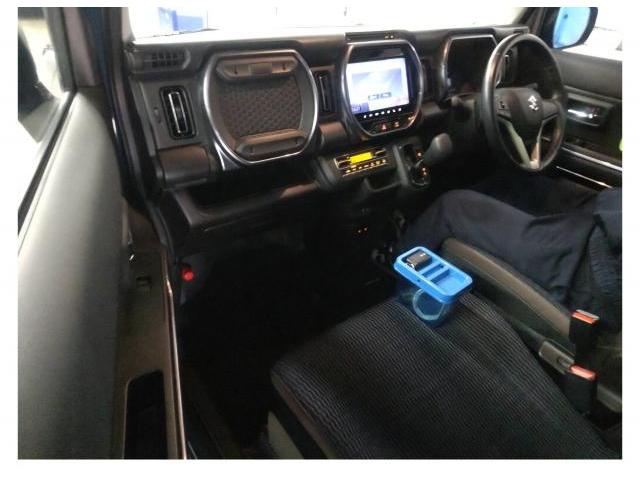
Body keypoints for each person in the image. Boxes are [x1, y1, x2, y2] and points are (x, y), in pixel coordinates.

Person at [399, 187, 622, 332]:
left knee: (452, 207)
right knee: (513, 184)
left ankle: (393, 270)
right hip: (613, 218)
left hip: (601, 263)